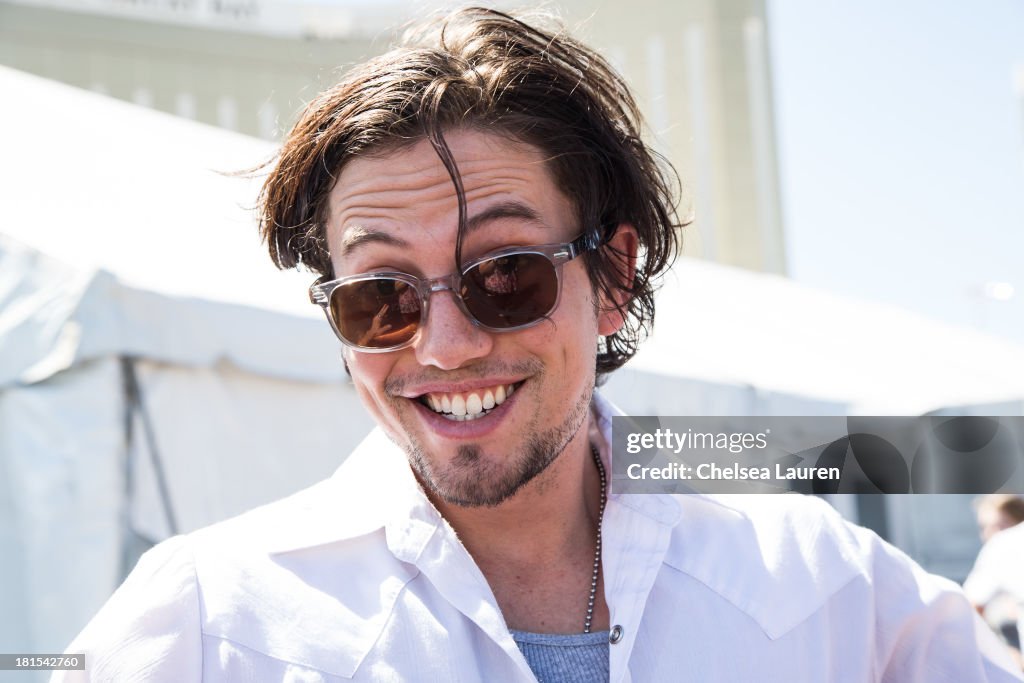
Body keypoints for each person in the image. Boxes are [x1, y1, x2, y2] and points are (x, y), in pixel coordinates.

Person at [58, 7, 1022, 682]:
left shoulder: (824, 593)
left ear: (612, 278)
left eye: (505, 274)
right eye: (380, 297)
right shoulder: (211, 617)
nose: (443, 344)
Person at [966, 495, 1024, 668]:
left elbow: (966, 611)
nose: (990, 534)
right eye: (984, 527)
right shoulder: (1001, 549)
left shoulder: (1004, 546)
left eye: (1000, 525)